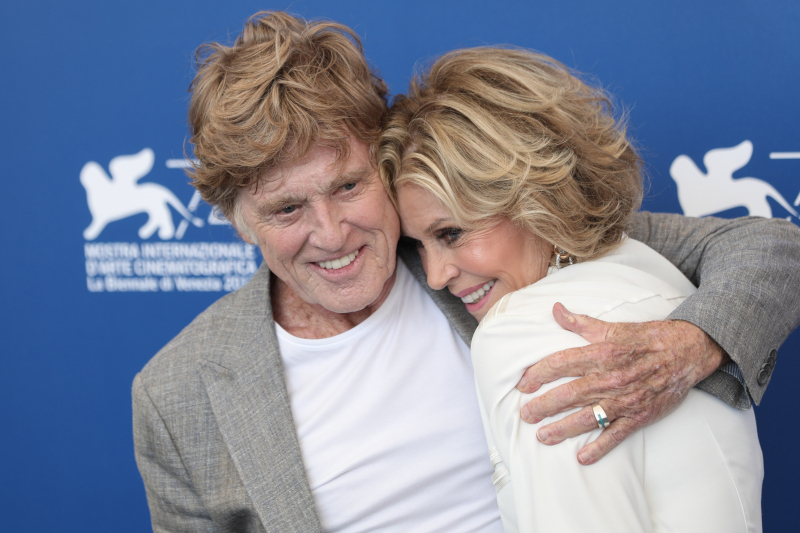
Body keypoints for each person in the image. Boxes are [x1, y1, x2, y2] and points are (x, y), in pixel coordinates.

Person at [132, 11, 800, 532]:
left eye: (347, 186)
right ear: (237, 219)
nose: (332, 234)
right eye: (286, 207)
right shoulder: (177, 397)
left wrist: (684, 348)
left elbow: (769, 249)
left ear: (383, 162)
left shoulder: (486, 245)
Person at [380, 46, 767, 532]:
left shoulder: (521, 334)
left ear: (531, 198)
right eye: (418, 246)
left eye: (452, 234)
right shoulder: (650, 266)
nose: (435, 276)